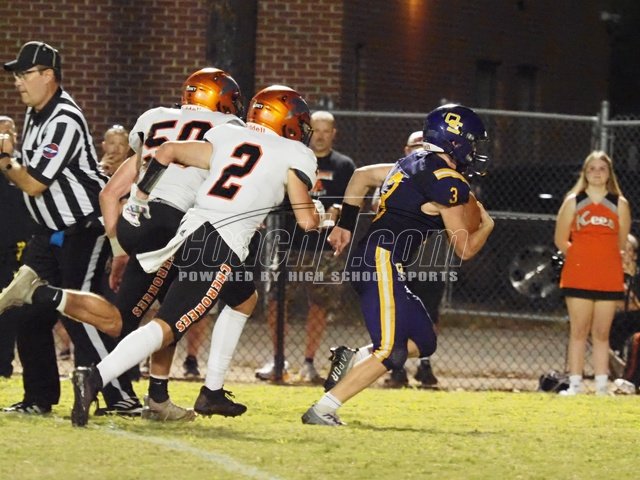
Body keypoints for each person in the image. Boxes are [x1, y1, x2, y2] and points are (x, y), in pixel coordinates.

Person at [60, 84, 323, 427]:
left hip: (190, 232)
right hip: (220, 244)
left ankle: (212, 391)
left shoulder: (229, 137)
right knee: (168, 325)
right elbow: (306, 221)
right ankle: (95, 377)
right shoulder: (294, 152)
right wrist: (321, 213)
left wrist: (139, 197)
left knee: (244, 300)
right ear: (286, 121)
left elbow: (167, 150)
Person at [302, 104, 494, 426]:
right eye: (472, 142)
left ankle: (353, 358)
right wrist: (487, 226)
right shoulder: (447, 182)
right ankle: (322, 410)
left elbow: (362, 176)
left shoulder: (412, 161)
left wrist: (345, 224)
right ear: (456, 141)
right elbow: (464, 249)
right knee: (391, 351)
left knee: (424, 340)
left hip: (381, 261)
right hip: (381, 260)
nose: (475, 151)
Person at [0, 41, 140, 414]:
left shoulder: (64, 118)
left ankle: (121, 396)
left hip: (82, 229)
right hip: (48, 234)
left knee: (80, 312)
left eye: (25, 74)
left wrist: (5, 159)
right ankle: (38, 399)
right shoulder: (34, 113)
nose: (17, 82)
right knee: (27, 312)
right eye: (16, 75)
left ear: (48, 75)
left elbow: (34, 183)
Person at [255, 110, 356, 383]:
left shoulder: (344, 165)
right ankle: (278, 360)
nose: (320, 136)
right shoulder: (293, 158)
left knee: (319, 304)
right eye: (316, 130)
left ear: (333, 134)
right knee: (275, 300)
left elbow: (353, 200)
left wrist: (339, 211)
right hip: (289, 243)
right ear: (307, 131)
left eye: (325, 131)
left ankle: (309, 362)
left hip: (324, 248)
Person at [554, 150, 631, 396]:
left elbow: (621, 243)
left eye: (602, 169)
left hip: (608, 276)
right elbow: (560, 239)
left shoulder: (619, 204)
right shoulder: (573, 201)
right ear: (585, 173)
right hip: (578, 275)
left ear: (609, 174)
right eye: (592, 169)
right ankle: (575, 384)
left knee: (602, 333)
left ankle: (601, 386)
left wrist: (603, 258)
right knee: (578, 331)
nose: (597, 173)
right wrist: (581, 256)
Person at [0, 116, 34, 378]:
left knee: (9, 305)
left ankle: (4, 363)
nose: (3, 137)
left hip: (16, 246)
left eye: (7, 132)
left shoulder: (24, 165)